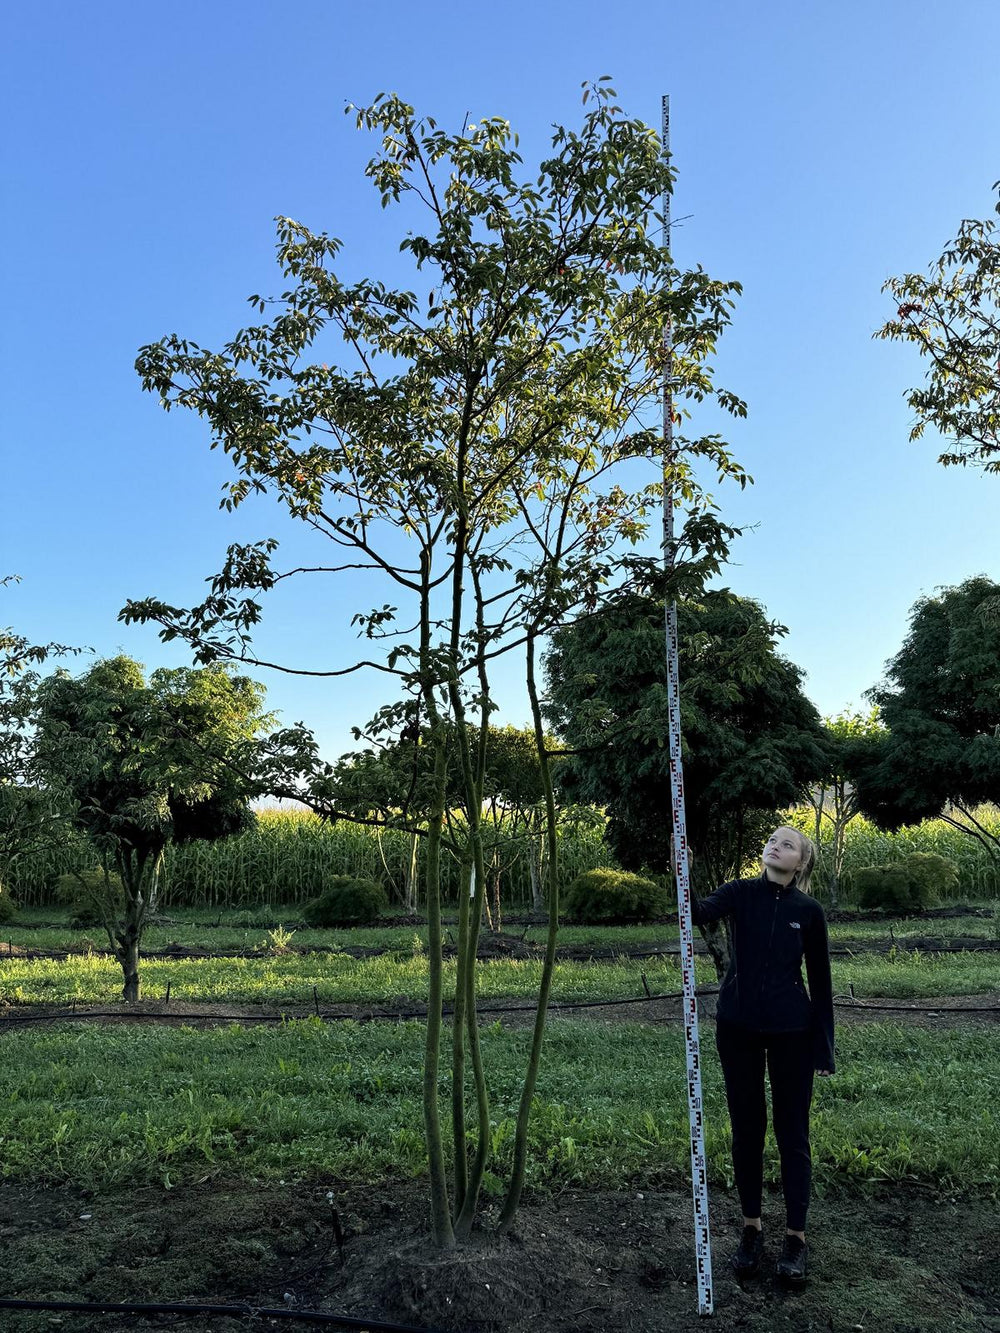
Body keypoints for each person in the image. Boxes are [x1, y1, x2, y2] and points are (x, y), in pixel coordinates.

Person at [691, 826, 834, 1289]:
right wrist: (683, 871)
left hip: (793, 1030)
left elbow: (822, 982)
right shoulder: (740, 893)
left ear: (801, 864)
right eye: (772, 839)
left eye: (788, 844)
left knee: (793, 1133)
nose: (776, 844)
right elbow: (694, 913)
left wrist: (823, 1045)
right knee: (747, 1129)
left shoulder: (808, 912)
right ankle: (750, 1227)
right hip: (737, 1029)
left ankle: (796, 1237)